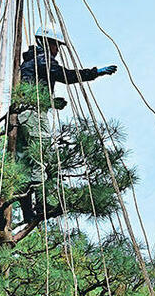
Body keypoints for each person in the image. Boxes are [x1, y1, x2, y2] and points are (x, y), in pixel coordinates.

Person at [15, 24, 117, 222]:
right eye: (56, 45)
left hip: (20, 117)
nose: (58, 50)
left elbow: (31, 89)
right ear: (48, 43)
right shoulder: (44, 60)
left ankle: (27, 211)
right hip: (34, 115)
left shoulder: (28, 63)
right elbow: (68, 76)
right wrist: (96, 72)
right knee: (40, 157)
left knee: (23, 164)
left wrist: (51, 102)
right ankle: (42, 205)